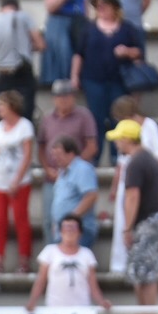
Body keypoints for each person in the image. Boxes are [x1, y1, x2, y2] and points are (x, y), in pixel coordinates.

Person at [71, 0, 142, 159]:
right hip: (93, 80)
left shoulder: (127, 29)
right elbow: (79, 54)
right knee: (96, 120)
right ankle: (95, 157)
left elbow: (139, 52)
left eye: (105, 4)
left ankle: (117, 156)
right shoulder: (88, 29)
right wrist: (74, 76)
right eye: (98, 5)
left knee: (118, 118)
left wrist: (127, 52)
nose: (100, 8)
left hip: (119, 81)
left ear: (115, 7)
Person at [104, 96, 158, 275]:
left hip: (143, 183)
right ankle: (121, 265)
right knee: (122, 220)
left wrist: (142, 170)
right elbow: (121, 162)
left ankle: (139, 266)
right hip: (127, 180)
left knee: (136, 224)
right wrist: (115, 187)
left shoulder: (149, 127)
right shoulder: (125, 134)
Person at [107, 119, 158, 309]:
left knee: (143, 271)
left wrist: (127, 228)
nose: (116, 143)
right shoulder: (147, 159)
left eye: (118, 139)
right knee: (145, 270)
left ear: (127, 139)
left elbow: (132, 196)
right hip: (154, 220)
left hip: (145, 222)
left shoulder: (135, 163)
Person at [38, 81, 98, 229]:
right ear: (54, 98)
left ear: (74, 97)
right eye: (59, 96)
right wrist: (47, 168)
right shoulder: (47, 118)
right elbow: (41, 146)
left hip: (76, 179)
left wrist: (72, 167)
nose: (63, 99)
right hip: (52, 177)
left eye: (67, 96)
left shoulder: (84, 116)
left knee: (75, 219)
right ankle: (52, 250)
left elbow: (92, 146)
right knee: (48, 219)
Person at [0, 90, 35, 272]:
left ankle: (24, 260)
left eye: (1, 105)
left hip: (20, 181)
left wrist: (16, 179)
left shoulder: (25, 126)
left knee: (21, 220)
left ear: (11, 106)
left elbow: (27, 155)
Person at [0, 0, 43, 119]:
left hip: (3, 74)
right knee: (25, 118)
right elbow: (40, 44)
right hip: (23, 72)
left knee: (4, 118)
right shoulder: (24, 17)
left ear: (0, 8)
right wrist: (27, 47)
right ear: (17, 7)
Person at [27, 215, 108, 310]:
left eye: (73, 228)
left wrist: (102, 302)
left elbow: (93, 284)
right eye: (66, 228)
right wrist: (32, 301)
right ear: (60, 232)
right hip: (55, 308)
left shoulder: (87, 254)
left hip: (81, 308)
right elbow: (41, 280)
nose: (69, 231)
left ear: (80, 232)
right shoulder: (49, 251)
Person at [41, 0, 88, 87]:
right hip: (60, 23)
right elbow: (50, 6)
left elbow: (85, 3)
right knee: (64, 55)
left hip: (79, 22)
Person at [47, 136, 99, 249]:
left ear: (71, 153)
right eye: (53, 155)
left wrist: (72, 218)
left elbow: (91, 196)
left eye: (59, 155)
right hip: (62, 230)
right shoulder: (61, 172)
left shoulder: (83, 169)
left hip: (78, 229)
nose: (55, 158)